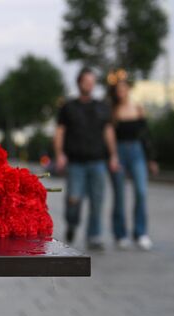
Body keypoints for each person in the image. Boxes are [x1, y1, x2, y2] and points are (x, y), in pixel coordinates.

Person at [54, 67, 119, 250]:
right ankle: (72, 223)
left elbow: (108, 132)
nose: (89, 85)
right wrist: (60, 154)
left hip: (98, 161)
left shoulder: (102, 107)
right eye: (86, 81)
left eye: (92, 82)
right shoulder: (68, 107)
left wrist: (113, 156)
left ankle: (94, 236)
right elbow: (60, 132)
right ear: (79, 83)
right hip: (75, 162)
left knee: (97, 200)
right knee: (73, 199)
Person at [107, 71, 158, 250]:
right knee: (119, 195)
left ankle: (140, 232)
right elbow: (109, 136)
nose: (121, 92)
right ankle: (120, 234)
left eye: (124, 89)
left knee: (141, 192)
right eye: (118, 90)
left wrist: (151, 159)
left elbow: (146, 135)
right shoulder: (113, 111)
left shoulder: (138, 108)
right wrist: (112, 156)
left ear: (128, 89)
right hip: (119, 151)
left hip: (137, 151)